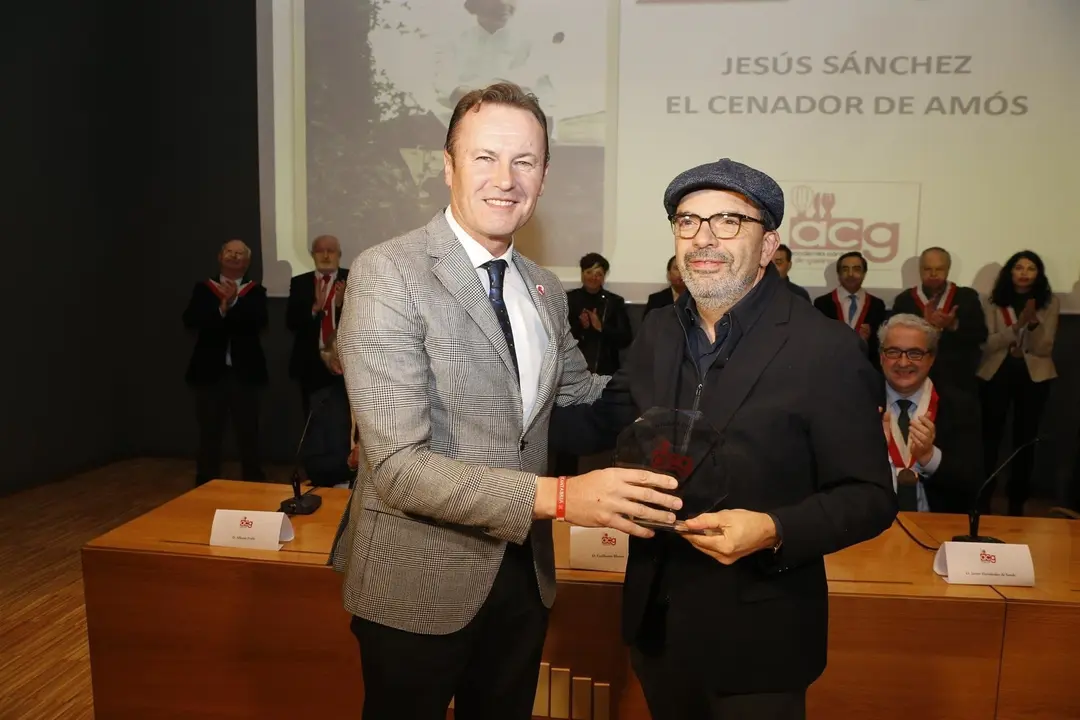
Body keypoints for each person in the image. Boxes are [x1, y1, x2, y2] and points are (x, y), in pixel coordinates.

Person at [329, 82, 681, 720]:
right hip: (415, 581)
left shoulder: (543, 287)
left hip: (522, 577)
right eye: (485, 157)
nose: (506, 179)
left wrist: (690, 371)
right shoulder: (390, 273)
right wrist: (565, 498)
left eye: (525, 161)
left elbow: (577, 398)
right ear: (448, 166)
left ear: (544, 176)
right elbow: (398, 467)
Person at [554, 158, 896, 719]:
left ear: (768, 245)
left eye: (729, 222)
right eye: (687, 221)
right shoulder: (658, 329)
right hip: (658, 629)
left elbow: (869, 497)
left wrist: (772, 529)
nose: (704, 238)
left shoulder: (824, 348)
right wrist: (491, 408)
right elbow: (600, 420)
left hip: (758, 642)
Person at [977, 250, 1059, 516]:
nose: (1024, 273)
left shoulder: (1049, 302)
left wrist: (1033, 326)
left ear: (1038, 274)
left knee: (1025, 440)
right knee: (990, 439)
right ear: (1010, 272)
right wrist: (1016, 327)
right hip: (996, 373)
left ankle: (1017, 501)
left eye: (1030, 268)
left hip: (1033, 377)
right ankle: (984, 497)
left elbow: (1045, 348)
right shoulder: (992, 302)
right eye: (1018, 267)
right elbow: (987, 345)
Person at [182, 240, 268, 486]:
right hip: (210, 373)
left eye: (239, 253)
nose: (234, 256)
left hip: (245, 373)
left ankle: (253, 479)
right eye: (229, 252)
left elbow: (258, 323)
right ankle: (206, 481)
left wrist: (234, 304)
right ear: (220, 257)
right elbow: (190, 320)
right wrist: (221, 308)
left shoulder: (256, 292)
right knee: (209, 431)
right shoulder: (203, 290)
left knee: (248, 432)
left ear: (247, 262)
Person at [878, 314, 983, 513]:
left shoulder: (959, 405)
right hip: (872, 524)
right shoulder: (860, 402)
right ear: (881, 356)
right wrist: (871, 452)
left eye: (914, 353)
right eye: (893, 352)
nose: (903, 363)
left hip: (935, 524)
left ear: (931, 358)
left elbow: (972, 481)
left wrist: (929, 456)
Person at [891, 247, 987, 396]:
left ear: (948, 269)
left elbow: (981, 335)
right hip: (914, 378)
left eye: (939, 269)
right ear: (920, 270)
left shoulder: (966, 297)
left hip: (958, 380)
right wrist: (923, 326)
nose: (933, 274)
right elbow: (893, 339)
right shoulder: (905, 300)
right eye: (927, 269)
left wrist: (953, 325)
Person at [285, 235, 349, 418]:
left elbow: (364, 320)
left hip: (344, 360)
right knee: (313, 418)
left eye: (331, 250)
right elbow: (291, 323)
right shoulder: (300, 282)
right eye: (321, 251)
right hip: (310, 362)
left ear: (339, 254)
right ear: (312, 255)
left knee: (344, 417)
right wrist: (313, 309)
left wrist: (341, 305)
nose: (326, 255)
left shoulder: (351, 278)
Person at [813, 251, 887, 370]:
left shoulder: (877, 305)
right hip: (830, 368)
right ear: (838, 273)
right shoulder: (822, 303)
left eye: (857, 269)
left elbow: (881, 345)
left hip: (866, 371)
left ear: (864, 273)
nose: (851, 274)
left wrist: (868, 341)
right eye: (845, 269)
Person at [566, 252, 632, 376]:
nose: (593, 277)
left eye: (598, 274)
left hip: (605, 371)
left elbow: (625, 339)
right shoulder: (569, 299)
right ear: (582, 274)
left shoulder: (614, 302)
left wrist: (601, 327)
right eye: (589, 272)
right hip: (574, 369)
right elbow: (560, 336)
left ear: (604, 277)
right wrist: (580, 326)